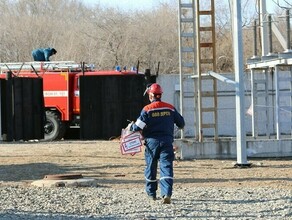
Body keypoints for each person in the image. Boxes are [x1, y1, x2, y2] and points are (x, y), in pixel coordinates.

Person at [130, 83, 185, 204]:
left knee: (151, 167)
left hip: (151, 143)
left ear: (151, 95)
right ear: (160, 95)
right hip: (166, 142)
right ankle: (166, 193)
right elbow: (181, 123)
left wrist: (131, 127)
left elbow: (137, 127)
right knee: (166, 167)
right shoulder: (170, 108)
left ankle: (151, 194)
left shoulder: (147, 109)